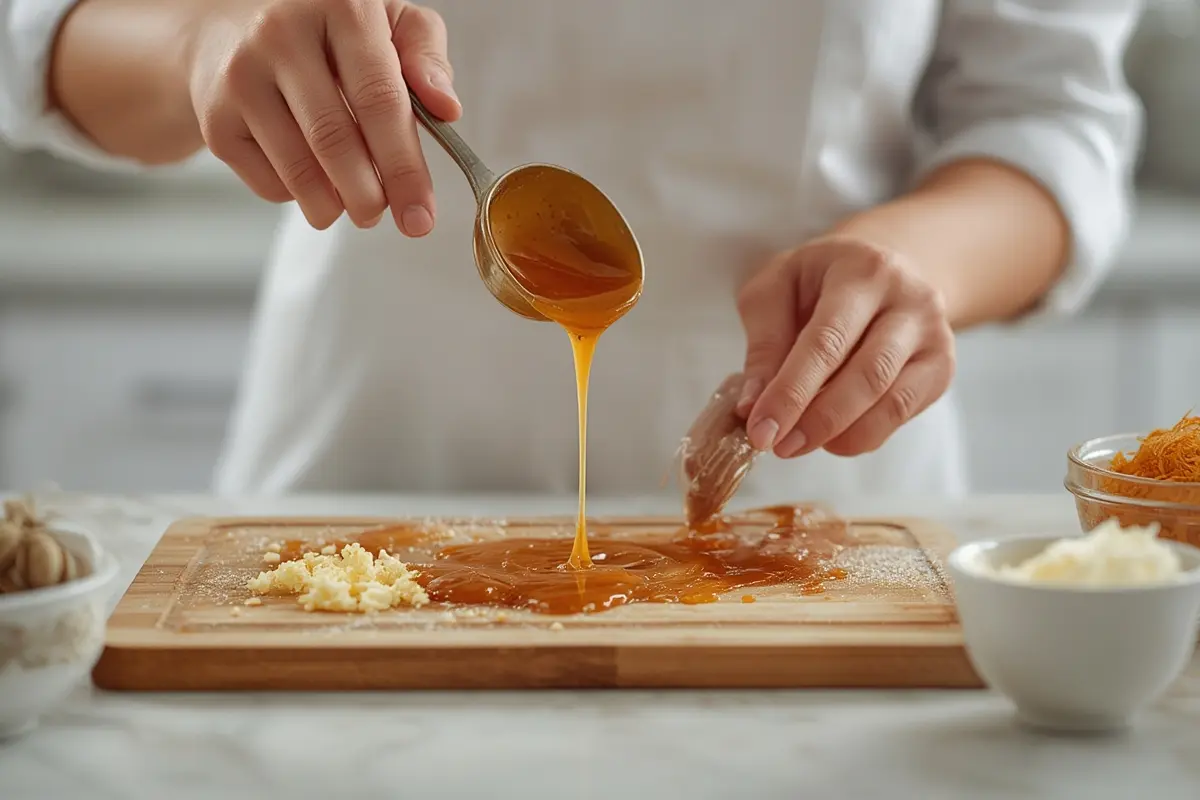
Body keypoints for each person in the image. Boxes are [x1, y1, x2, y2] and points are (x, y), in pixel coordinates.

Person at [0, 0, 1142, 499]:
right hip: (367, 448)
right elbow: (38, 32)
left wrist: (914, 260)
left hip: (823, 484)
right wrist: (200, 40)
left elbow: (1048, 121)